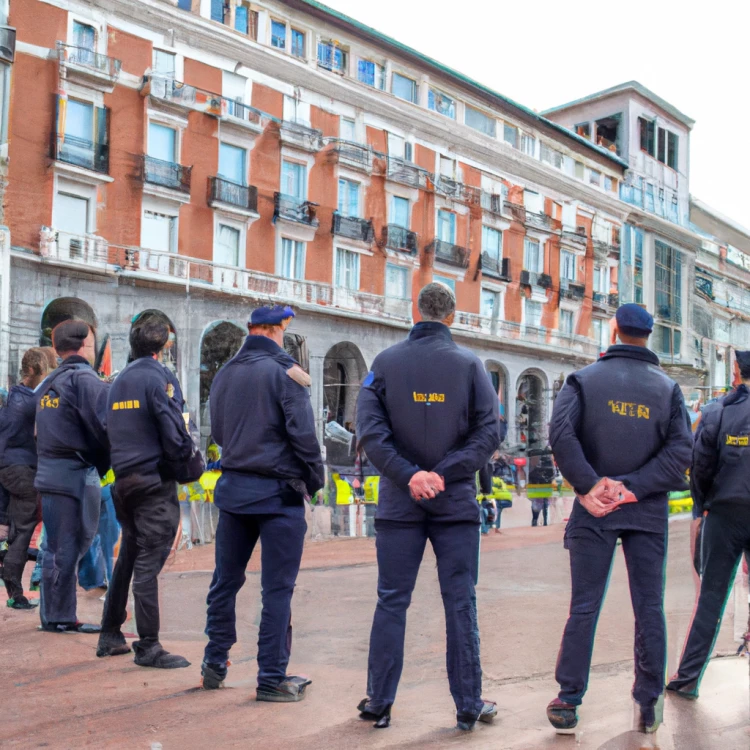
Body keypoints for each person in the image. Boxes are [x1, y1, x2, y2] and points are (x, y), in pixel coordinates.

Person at [356, 282, 500, 731]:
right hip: (454, 502)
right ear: (452, 316)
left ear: (414, 312)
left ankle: (379, 702)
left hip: (401, 503)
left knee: (392, 600)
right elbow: (489, 431)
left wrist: (409, 475)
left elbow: (370, 432)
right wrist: (446, 472)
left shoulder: (384, 364)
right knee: (460, 602)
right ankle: (468, 703)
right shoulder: (470, 365)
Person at [546, 304, 692, 734]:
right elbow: (681, 451)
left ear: (614, 330)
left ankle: (568, 698)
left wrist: (592, 485)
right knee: (649, 606)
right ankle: (648, 702)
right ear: (650, 336)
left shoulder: (584, 381)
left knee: (584, 606)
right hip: (645, 510)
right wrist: (634, 487)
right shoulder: (668, 390)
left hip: (594, 509)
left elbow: (560, 432)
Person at [201, 304, 324, 701]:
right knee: (277, 589)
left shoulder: (225, 373)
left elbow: (217, 430)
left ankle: (214, 661)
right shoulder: (287, 372)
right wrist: (315, 480)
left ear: (250, 330)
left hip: (235, 492)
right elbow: (304, 436)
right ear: (276, 331)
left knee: (225, 581)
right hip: (277, 495)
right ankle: (271, 677)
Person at [96, 320, 201, 667]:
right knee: (146, 563)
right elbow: (174, 428)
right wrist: (189, 461)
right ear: (164, 348)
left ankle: (110, 633)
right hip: (152, 482)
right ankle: (149, 645)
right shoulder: (160, 378)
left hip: (123, 481)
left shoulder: (118, 381)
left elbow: (105, 429)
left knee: (129, 556)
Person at [667, 350, 750, 698]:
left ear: (737, 373)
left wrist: (702, 508)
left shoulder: (717, 412)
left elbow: (699, 466)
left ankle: (687, 679)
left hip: (725, 514)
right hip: (728, 510)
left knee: (711, 598)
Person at [35, 320, 110, 634]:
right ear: (87, 345)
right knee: (73, 545)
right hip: (77, 476)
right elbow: (104, 428)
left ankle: (52, 614)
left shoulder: (47, 384)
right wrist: (103, 464)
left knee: (55, 547)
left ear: (56, 349)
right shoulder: (85, 380)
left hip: (49, 474)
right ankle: (62, 616)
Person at [0, 348, 51, 609]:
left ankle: (7, 567)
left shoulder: (14, 397)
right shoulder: (29, 402)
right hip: (21, 469)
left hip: (9, 468)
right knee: (25, 527)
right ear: (33, 372)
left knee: (15, 523)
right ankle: (14, 587)